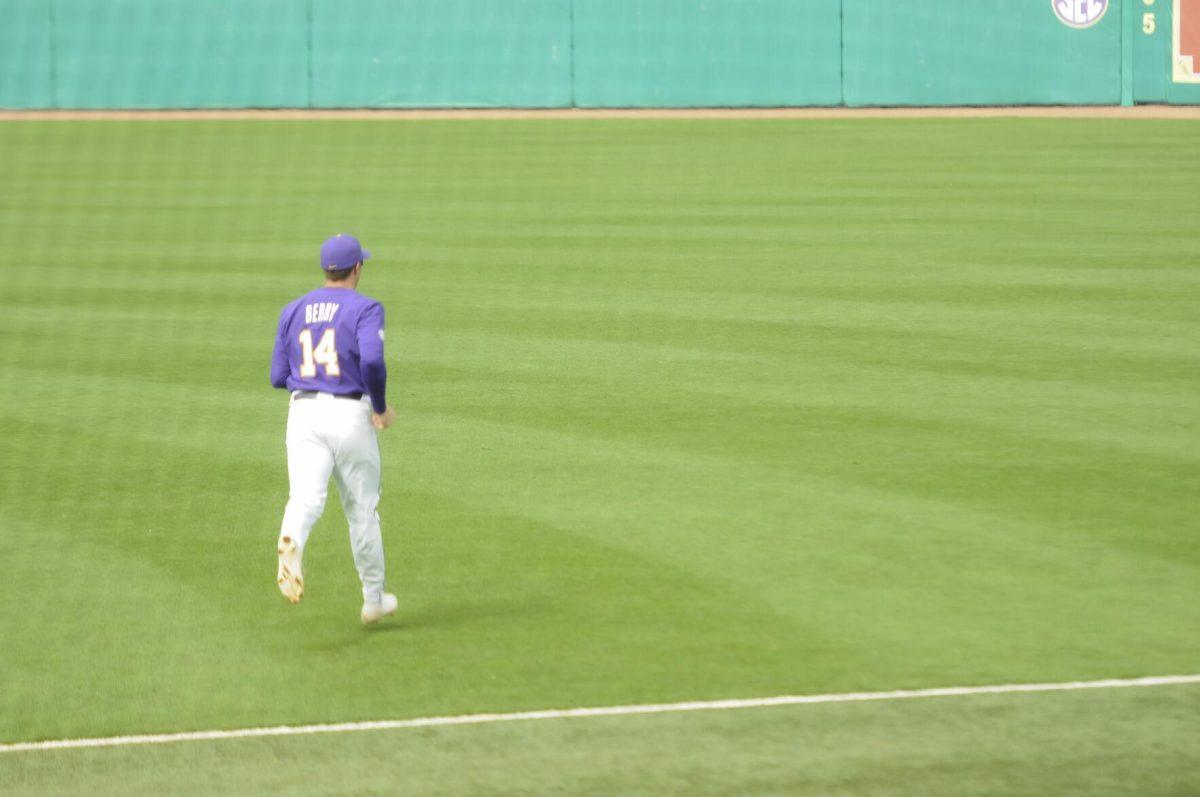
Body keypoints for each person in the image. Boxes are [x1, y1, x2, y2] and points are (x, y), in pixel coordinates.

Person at [269, 233, 398, 624]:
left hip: (303, 412)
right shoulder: (365, 308)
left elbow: (278, 376)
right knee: (362, 511)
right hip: (349, 415)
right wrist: (379, 407)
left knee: (304, 500)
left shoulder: (293, 309)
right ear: (357, 268)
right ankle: (373, 600)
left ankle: (293, 539)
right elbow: (373, 362)